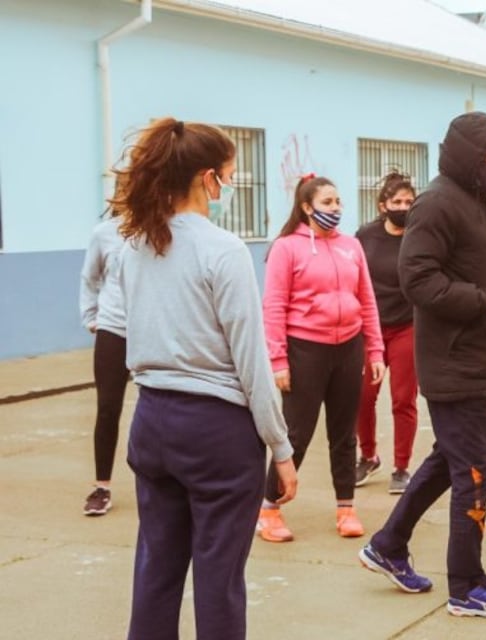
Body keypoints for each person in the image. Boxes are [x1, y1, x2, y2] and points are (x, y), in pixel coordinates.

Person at [358, 111, 486, 619]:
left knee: (449, 460)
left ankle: (388, 544)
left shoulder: (476, 203)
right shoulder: (437, 204)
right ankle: (467, 586)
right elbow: (417, 278)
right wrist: (484, 302)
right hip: (454, 362)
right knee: (475, 471)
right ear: (471, 154)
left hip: (472, 359)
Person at [113, 117, 298, 639]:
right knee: (219, 579)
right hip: (216, 430)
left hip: (151, 420)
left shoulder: (137, 246)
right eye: (229, 174)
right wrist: (280, 449)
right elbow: (250, 360)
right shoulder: (223, 249)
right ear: (206, 177)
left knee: (156, 571)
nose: (229, 185)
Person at [257, 174, 385, 541]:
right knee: (295, 433)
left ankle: (346, 508)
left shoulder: (351, 246)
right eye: (328, 203)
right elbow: (274, 306)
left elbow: (367, 300)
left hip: (349, 347)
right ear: (306, 207)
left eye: (338, 202)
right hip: (305, 350)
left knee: (345, 434)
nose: (336, 209)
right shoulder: (286, 248)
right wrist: (278, 360)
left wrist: (374, 348)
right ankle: (269, 509)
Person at [354, 172, 420, 494]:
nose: (404, 207)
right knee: (363, 397)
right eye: (397, 202)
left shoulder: (420, 236)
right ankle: (368, 456)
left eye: (409, 202)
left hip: (408, 327)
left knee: (403, 399)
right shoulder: (365, 236)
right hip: (372, 330)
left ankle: (401, 467)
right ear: (383, 205)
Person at [79, 209, 127, 516]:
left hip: (152, 330)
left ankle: (175, 484)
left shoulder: (162, 229)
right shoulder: (105, 233)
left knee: (167, 406)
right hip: (113, 329)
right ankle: (102, 487)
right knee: (108, 408)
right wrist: (91, 318)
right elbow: (90, 277)